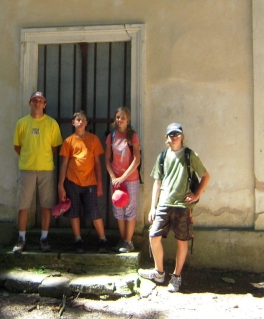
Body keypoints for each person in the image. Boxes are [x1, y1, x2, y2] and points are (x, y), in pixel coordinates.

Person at [138, 122, 210, 293]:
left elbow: (205, 176)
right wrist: (153, 207)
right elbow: (157, 182)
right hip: (164, 203)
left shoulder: (190, 155)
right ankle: (159, 272)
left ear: (182, 136)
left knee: (182, 241)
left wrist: (196, 195)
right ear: (167, 138)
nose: (175, 137)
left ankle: (176, 277)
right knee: (153, 236)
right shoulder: (162, 157)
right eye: (171, 134)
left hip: (182, 205)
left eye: (177, 134)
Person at [12, 91, 63, 254]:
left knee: (46, 206)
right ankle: (21, 239)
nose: (37, 103)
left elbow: (55, 147)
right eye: (34, 100)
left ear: (44, 104)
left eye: (40, 101)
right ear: (30, 103)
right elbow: (17, 146)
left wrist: (41, 158)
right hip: (26, 169)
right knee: (23, 206)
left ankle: (44, 238)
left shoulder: (52, 123)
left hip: (46, 169)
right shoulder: (22, 123)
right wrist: (29, 158)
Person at [58, 110, 108, 254]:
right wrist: (60, 185)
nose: (80, 122)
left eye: (83, 119)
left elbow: (98, 163)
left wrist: (100, 184)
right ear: (73, 122)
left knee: (94, 211)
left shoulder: (94, 139)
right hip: (72, 181)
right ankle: (78, 240)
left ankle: (103, 239)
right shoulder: (68, 141)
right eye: (78, 119)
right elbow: (64, 164)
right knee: (73, 212)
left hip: (90, 182)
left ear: (86, 123)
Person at [105, 106, 141, 253]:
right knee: (118, 209)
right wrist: (114, 177)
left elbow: (137, 160)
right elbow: (107, 159)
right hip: (116, 180)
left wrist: (123, 177)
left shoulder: (133, 136)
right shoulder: (111, 136)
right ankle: (122, 239)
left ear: (128, 119)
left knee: (130, 210)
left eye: (123, 117)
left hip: (130, 179)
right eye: (118, 117)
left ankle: (128, 241)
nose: (120, 120)